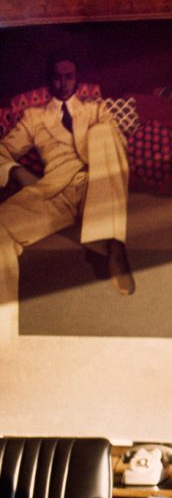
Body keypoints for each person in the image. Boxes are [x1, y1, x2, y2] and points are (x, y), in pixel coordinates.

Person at [0, 52, 133, 341]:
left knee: (103, 133)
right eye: (57, 77)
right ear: (49, 80)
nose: (62, 83)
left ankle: (114, 245)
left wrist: (97, 144)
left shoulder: (95, 110)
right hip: (53, 193)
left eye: (68, 77)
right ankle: (3, 339)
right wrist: (17, 173)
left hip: (96, 183)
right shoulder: (34, 118)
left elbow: (119, 146)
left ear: (77, 79)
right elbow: (2, 151)